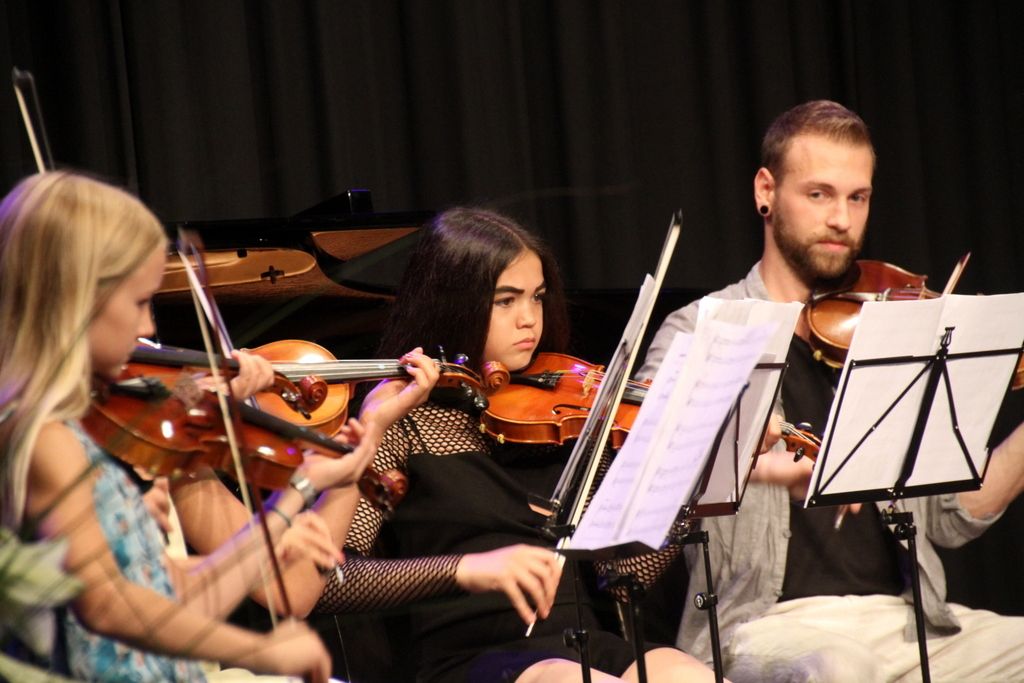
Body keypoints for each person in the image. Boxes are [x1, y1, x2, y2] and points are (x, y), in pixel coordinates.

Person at [638, 100, 1024, 681]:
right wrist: (770, 467)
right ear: (766, 191)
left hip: (910, 622)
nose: (842, 219)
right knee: (839, 668)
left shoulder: (894, 327)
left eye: (857, 197)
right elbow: (644, 464)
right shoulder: (704, 328)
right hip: (766, 627)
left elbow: (949, 520)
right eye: (818, 194)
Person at [0, 170, 418, 681]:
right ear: (72, 299)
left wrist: (292, 500)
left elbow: (165, 587)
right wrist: (259, 650)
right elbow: (109, 608)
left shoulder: (99, 429)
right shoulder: (45, 437)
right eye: (139, 303)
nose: (150, 330)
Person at [311, 207, 719, 683]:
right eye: (506, 301)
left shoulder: (567, 413)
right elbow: (329, 582)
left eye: (537, 297)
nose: (529, 319)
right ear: (454, 304)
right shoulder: (403, 421)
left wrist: (694, 477)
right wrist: (465, 569)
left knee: (691, 675)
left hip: (586, 645)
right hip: (470, 661)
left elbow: (624, 581)